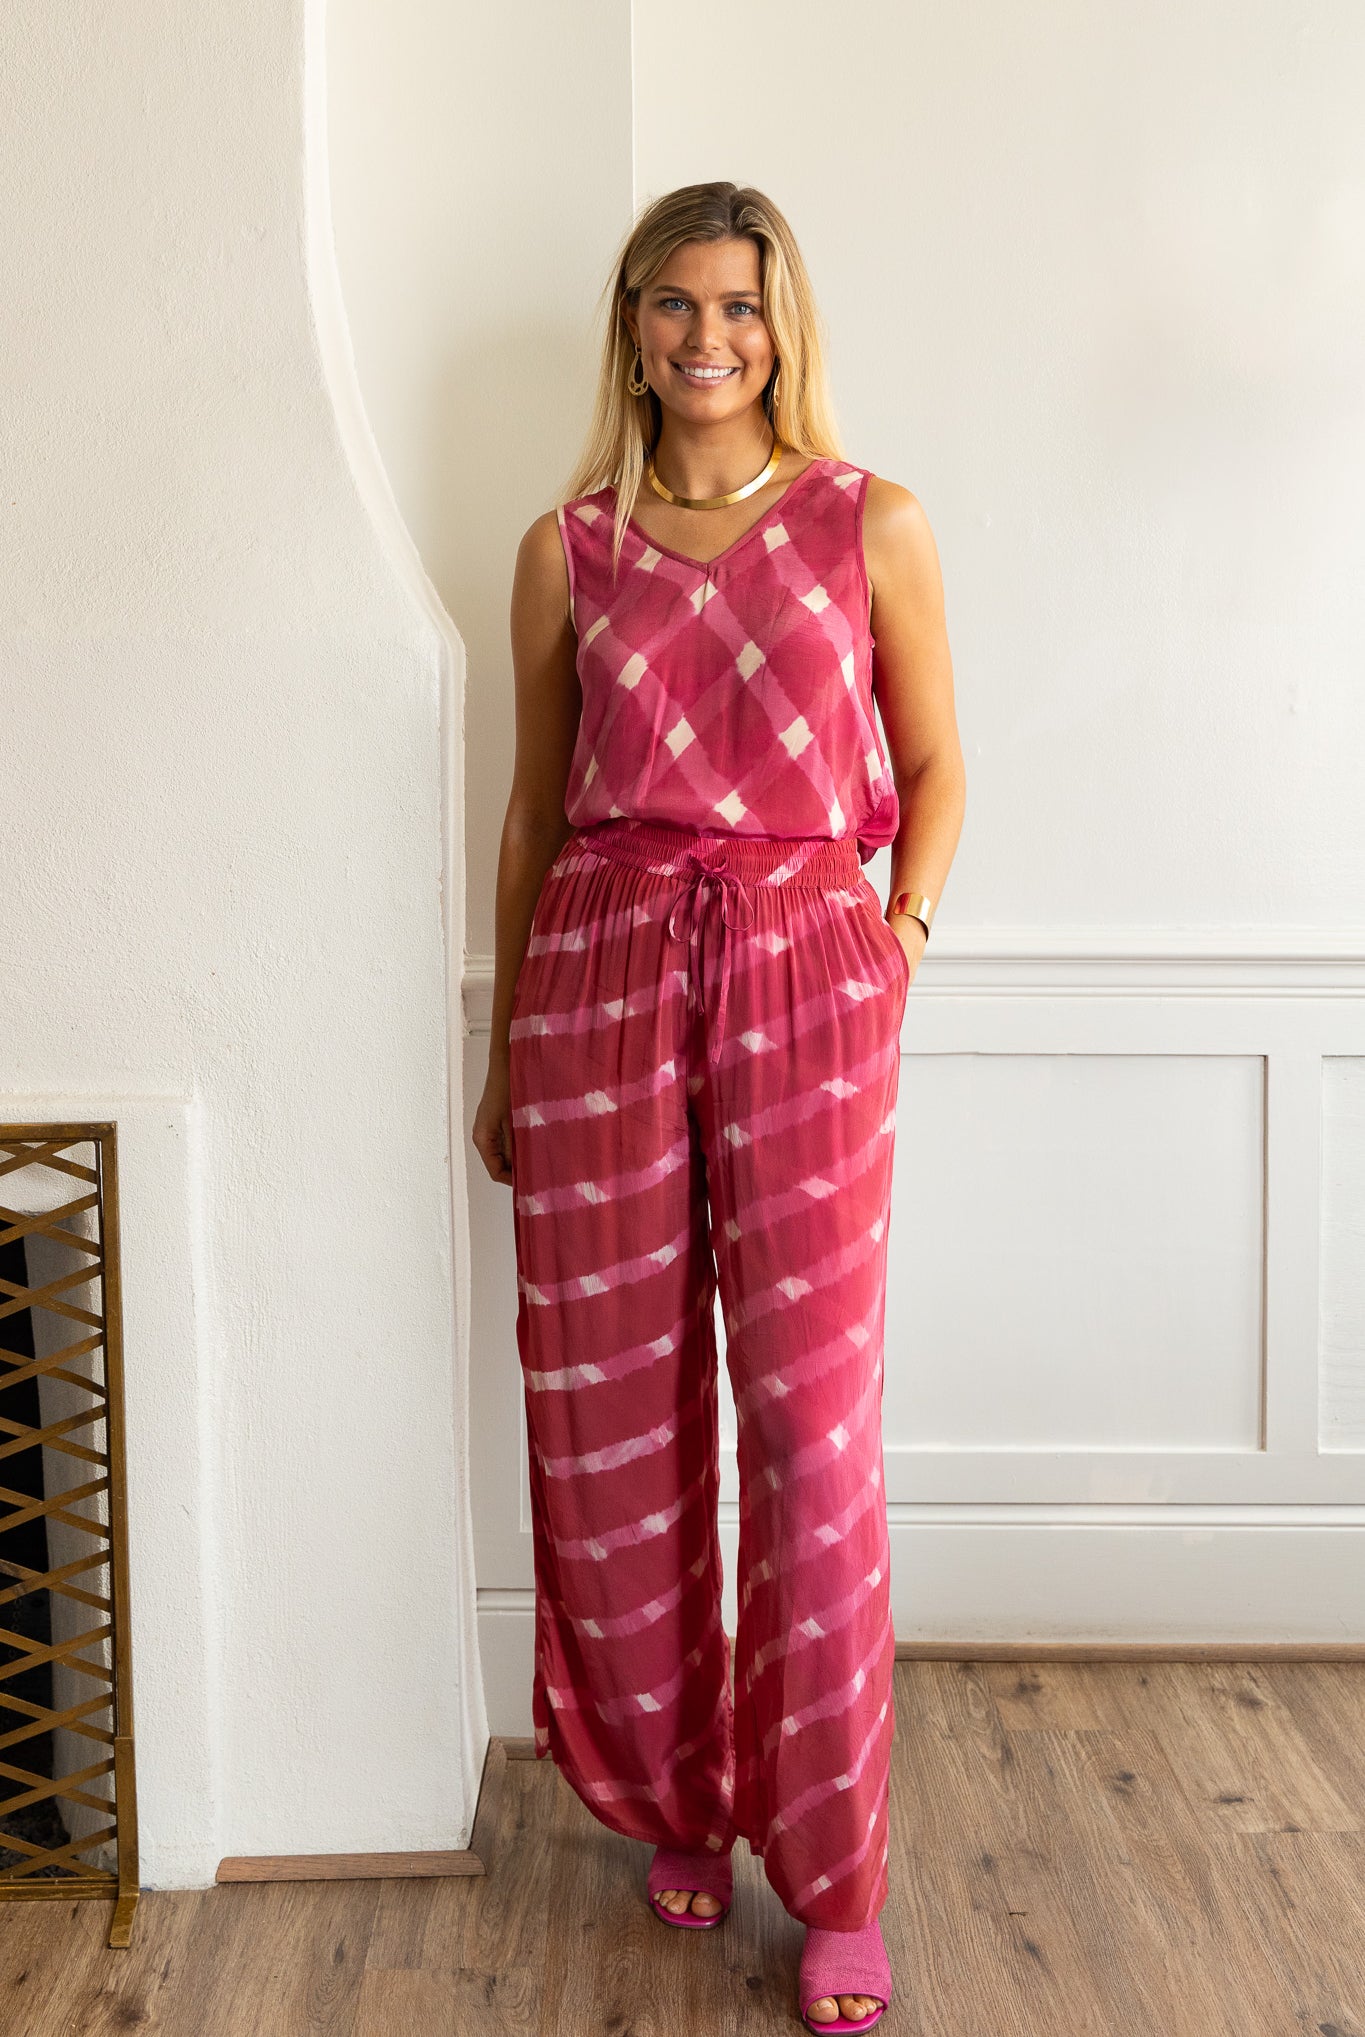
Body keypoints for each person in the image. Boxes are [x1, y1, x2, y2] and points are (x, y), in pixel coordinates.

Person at [473, 179, 964, 2033]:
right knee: (616, 1416)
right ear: (632, 325)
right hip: (597, 980)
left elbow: (935, 760)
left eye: (738, 305)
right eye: (673, 303)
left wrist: (897, 935)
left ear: (781, 327)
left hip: (803, 979)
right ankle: (679, 1791)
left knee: (811, 1435)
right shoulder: (565, 549)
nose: (706, 337)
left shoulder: (868, 520)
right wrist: (502, 1047)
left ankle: (834, 1872)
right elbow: (533, 812)